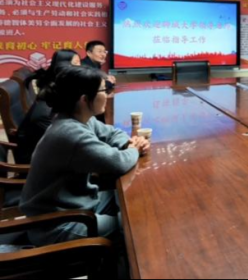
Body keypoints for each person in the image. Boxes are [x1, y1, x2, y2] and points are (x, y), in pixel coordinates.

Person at [20, 65, 150, 250]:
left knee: (133, 202)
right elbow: (118, 163)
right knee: (137, 222)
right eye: (104, 90)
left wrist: (128, 143)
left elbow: (112, 133)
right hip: (58, 225)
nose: (108, 95)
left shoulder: (80, 118)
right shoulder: (70, 133)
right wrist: (134, 149)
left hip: (77, 204)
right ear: (84, 99)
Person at [16, 49, 82, 164]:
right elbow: (66, 141)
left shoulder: (54, 89)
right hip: (40, 160)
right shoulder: (50, 104)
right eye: (76, 63)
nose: (80, 67)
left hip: (51, 149)